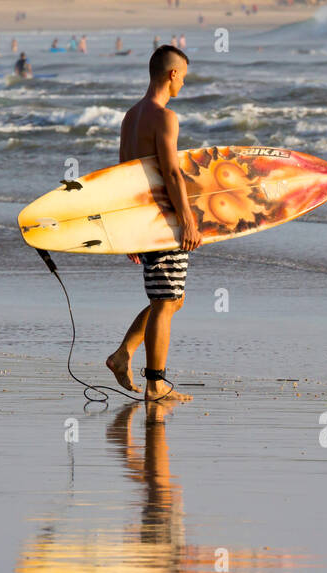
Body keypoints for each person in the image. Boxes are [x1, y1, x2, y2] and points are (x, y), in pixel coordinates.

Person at [107, 45, 201, 403]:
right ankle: (155, 383)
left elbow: (121, 178)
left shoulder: (130, 118)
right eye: (184, 78)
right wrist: (188, 221)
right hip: (163, 222)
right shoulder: (165, 117)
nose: (183, 86)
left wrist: (126, 229)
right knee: (166, 302)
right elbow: (173, 174)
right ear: (172, 74)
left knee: (172, 299)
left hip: (141, 221)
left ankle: (122, 355)